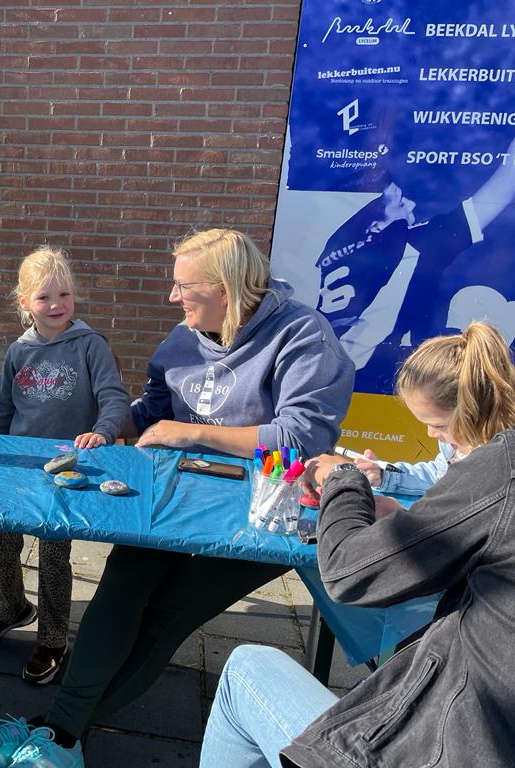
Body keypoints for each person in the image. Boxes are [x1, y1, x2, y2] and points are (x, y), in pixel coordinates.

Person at [0, 229, 355, 768]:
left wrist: (191, 432)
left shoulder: (302, 336)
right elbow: (150, 414)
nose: (173, 297)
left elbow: (301, 437)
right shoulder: (184, 337)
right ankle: (59, 734)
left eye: (183, 286)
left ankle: (57, 734)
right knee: (119, 592)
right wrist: (93, 420)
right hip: (173, 499)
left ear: (226, 288)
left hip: (261, 514)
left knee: (167, 615)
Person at [199, 324, 515, 766]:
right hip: (467, 721)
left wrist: (342, 479)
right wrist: (407, 519)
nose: (435, 438)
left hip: (450, 742)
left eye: (439, 426)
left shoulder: (498, 467)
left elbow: (347, 572)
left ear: (473, 410)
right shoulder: (492, 464)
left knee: (243, 671)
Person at [0, 246, 130, 685]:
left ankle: (54, 637)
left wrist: (103, 431)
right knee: (1, 537)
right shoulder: (17, 351)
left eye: (64, 295)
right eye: (44, 297)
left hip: (69, 468)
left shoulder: (91, 345)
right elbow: (3, 408)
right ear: (24, 302)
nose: (57, 305)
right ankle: (11, 607)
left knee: (54, 553)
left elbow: (114, 398)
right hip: (20, 465)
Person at [314, 137, 515, 391]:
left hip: (327, 376)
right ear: (376, 227)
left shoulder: (333, 252)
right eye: (400, 202)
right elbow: (502, 187)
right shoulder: (407, 249)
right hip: (373, 379)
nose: (412, 204)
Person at [352, 321, 515, 517]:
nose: (431, 434)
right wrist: (385, 475)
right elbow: (438, 476)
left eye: (439, 425)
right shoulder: (455, 446)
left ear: (475, 409)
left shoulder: (504, 465)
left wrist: (404, 517)